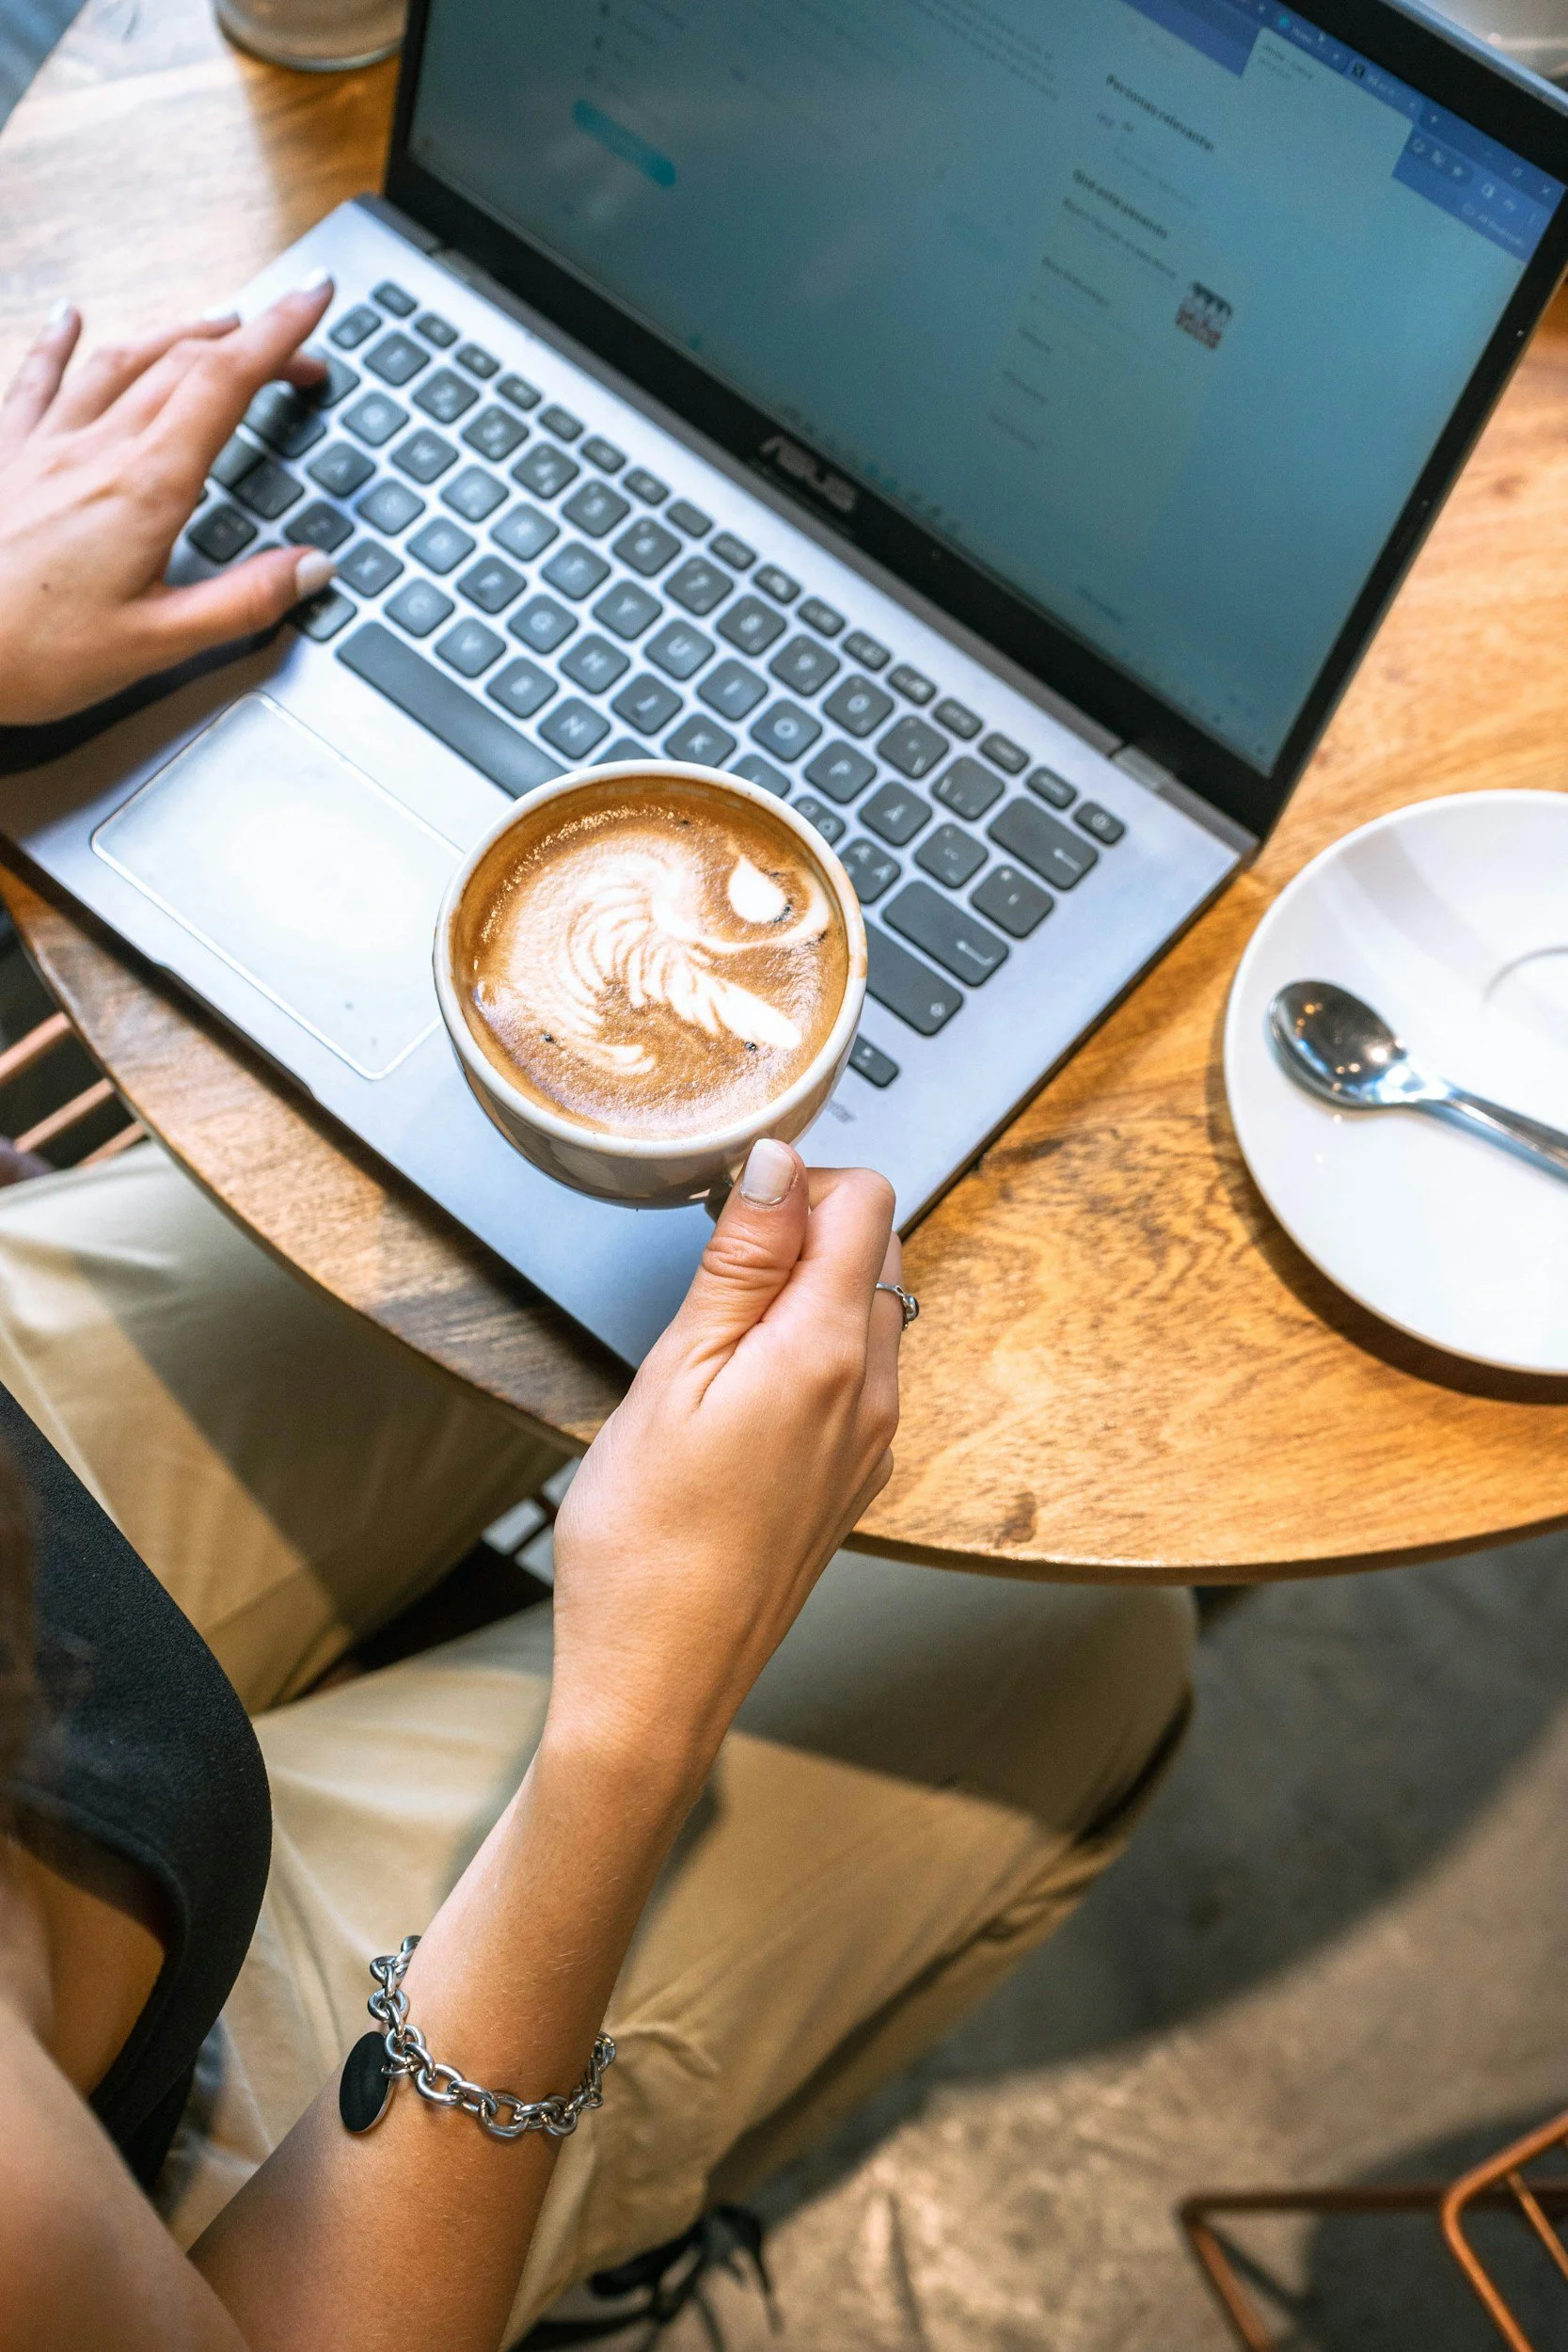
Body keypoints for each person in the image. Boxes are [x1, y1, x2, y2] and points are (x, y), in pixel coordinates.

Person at [0, 281, 1196, 2350]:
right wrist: (634, 1730)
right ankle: (597, 2241)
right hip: (136, 2166)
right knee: (1089, 1639)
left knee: (528, 1262)